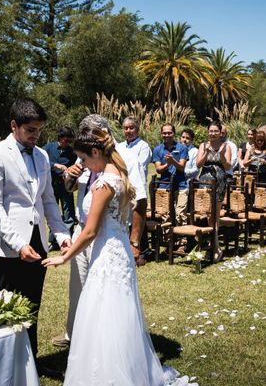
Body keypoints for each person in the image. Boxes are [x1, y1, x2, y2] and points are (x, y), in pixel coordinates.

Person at [42, 126, 196, 386]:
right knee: (117, 314)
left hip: (107, 252)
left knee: (103, 313)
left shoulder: (104, 183)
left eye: (85, 159)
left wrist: (63, 257)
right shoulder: (119, 173)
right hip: (118, 248)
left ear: (95, 151)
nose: (85, 165)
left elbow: (90, 231)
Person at [0, 98, 72, 374]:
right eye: (30, 130)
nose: (36, 135)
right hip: (9, 247)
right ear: (14, 126)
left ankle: (31, 364)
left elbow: (47, 201)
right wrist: (18, 243)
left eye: (39, 130)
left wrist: (61, 233)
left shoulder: (43, 156)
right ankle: (7, 367)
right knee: (9, 307)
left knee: (32, 305)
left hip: (38, 242)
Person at [51, 114, 108, 349]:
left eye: (90, 134)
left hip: (103, 233)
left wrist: (136, 242)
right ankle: (72, 333)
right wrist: (69, 177)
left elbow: (137, 201)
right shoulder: (81, 158)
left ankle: (98, 336)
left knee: (101, 287)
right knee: (77, 285)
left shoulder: (113, 161)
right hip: (80, 228)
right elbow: (70, 187)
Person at [115, 117, 152, 265]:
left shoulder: (143, 146)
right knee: (125, 219)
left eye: (131, 128)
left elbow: (139, 166)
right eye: (125, 128)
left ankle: (142, 251)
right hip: (121, 187)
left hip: (136, 186)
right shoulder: (119, 146)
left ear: (137, 129)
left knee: (137, 217)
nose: (128, 131)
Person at [197, 120, 232, 262]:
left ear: (220, 132)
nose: (212, 133)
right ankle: (211, 245)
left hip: (219, 181)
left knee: (215, 216)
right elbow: (198, 164)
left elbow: (228, 166)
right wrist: (205, 153)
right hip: (205, 181)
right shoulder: (203, 145)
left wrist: (222, 155)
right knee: (206, 214)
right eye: (210, 131)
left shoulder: (226, 146)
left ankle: (215, 246)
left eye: (215, 131)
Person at [43, 126, 78, 247]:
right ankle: (54, 241)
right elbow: (40, 161)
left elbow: (76, 166)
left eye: (70, 141)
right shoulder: (48, 148)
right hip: (51, 185)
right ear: (61, 138)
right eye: (67, 141)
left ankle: (68, 239)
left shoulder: (72, 152)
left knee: (69, 214)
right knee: (53, 213)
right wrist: (55, 165)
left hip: (66, 186)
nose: (68, 143)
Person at [153, 123, 188, 224]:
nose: (167, 135)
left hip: (181, 185)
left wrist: (173, 162)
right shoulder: (157, 149)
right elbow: (158, 169)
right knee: (165, 215)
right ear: (161, 134)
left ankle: (182, 239)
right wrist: (168, 165)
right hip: (164, 185)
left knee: (181, 214)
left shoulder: (182, 148)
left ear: (174, 133)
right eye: (164, 133)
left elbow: (182, 167)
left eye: (169, 133)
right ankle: (167, 239)